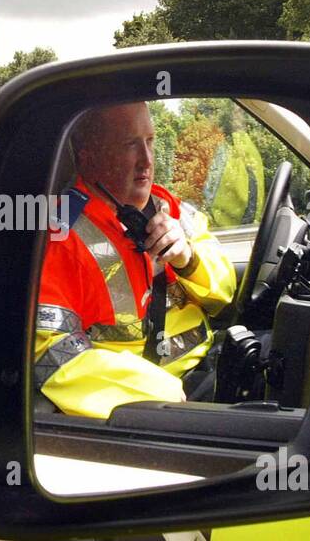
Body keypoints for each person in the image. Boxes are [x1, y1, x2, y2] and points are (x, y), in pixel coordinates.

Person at [34, 102, 238, 419]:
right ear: (88, 156)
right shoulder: (59, 233)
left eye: (150, 142)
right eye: (130, 144)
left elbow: (224, 293)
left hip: (212, 367)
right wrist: (160, 396)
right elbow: (49, 355)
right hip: (159, 407)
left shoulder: (168, 205)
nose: (146, 160)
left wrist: (188, 259)